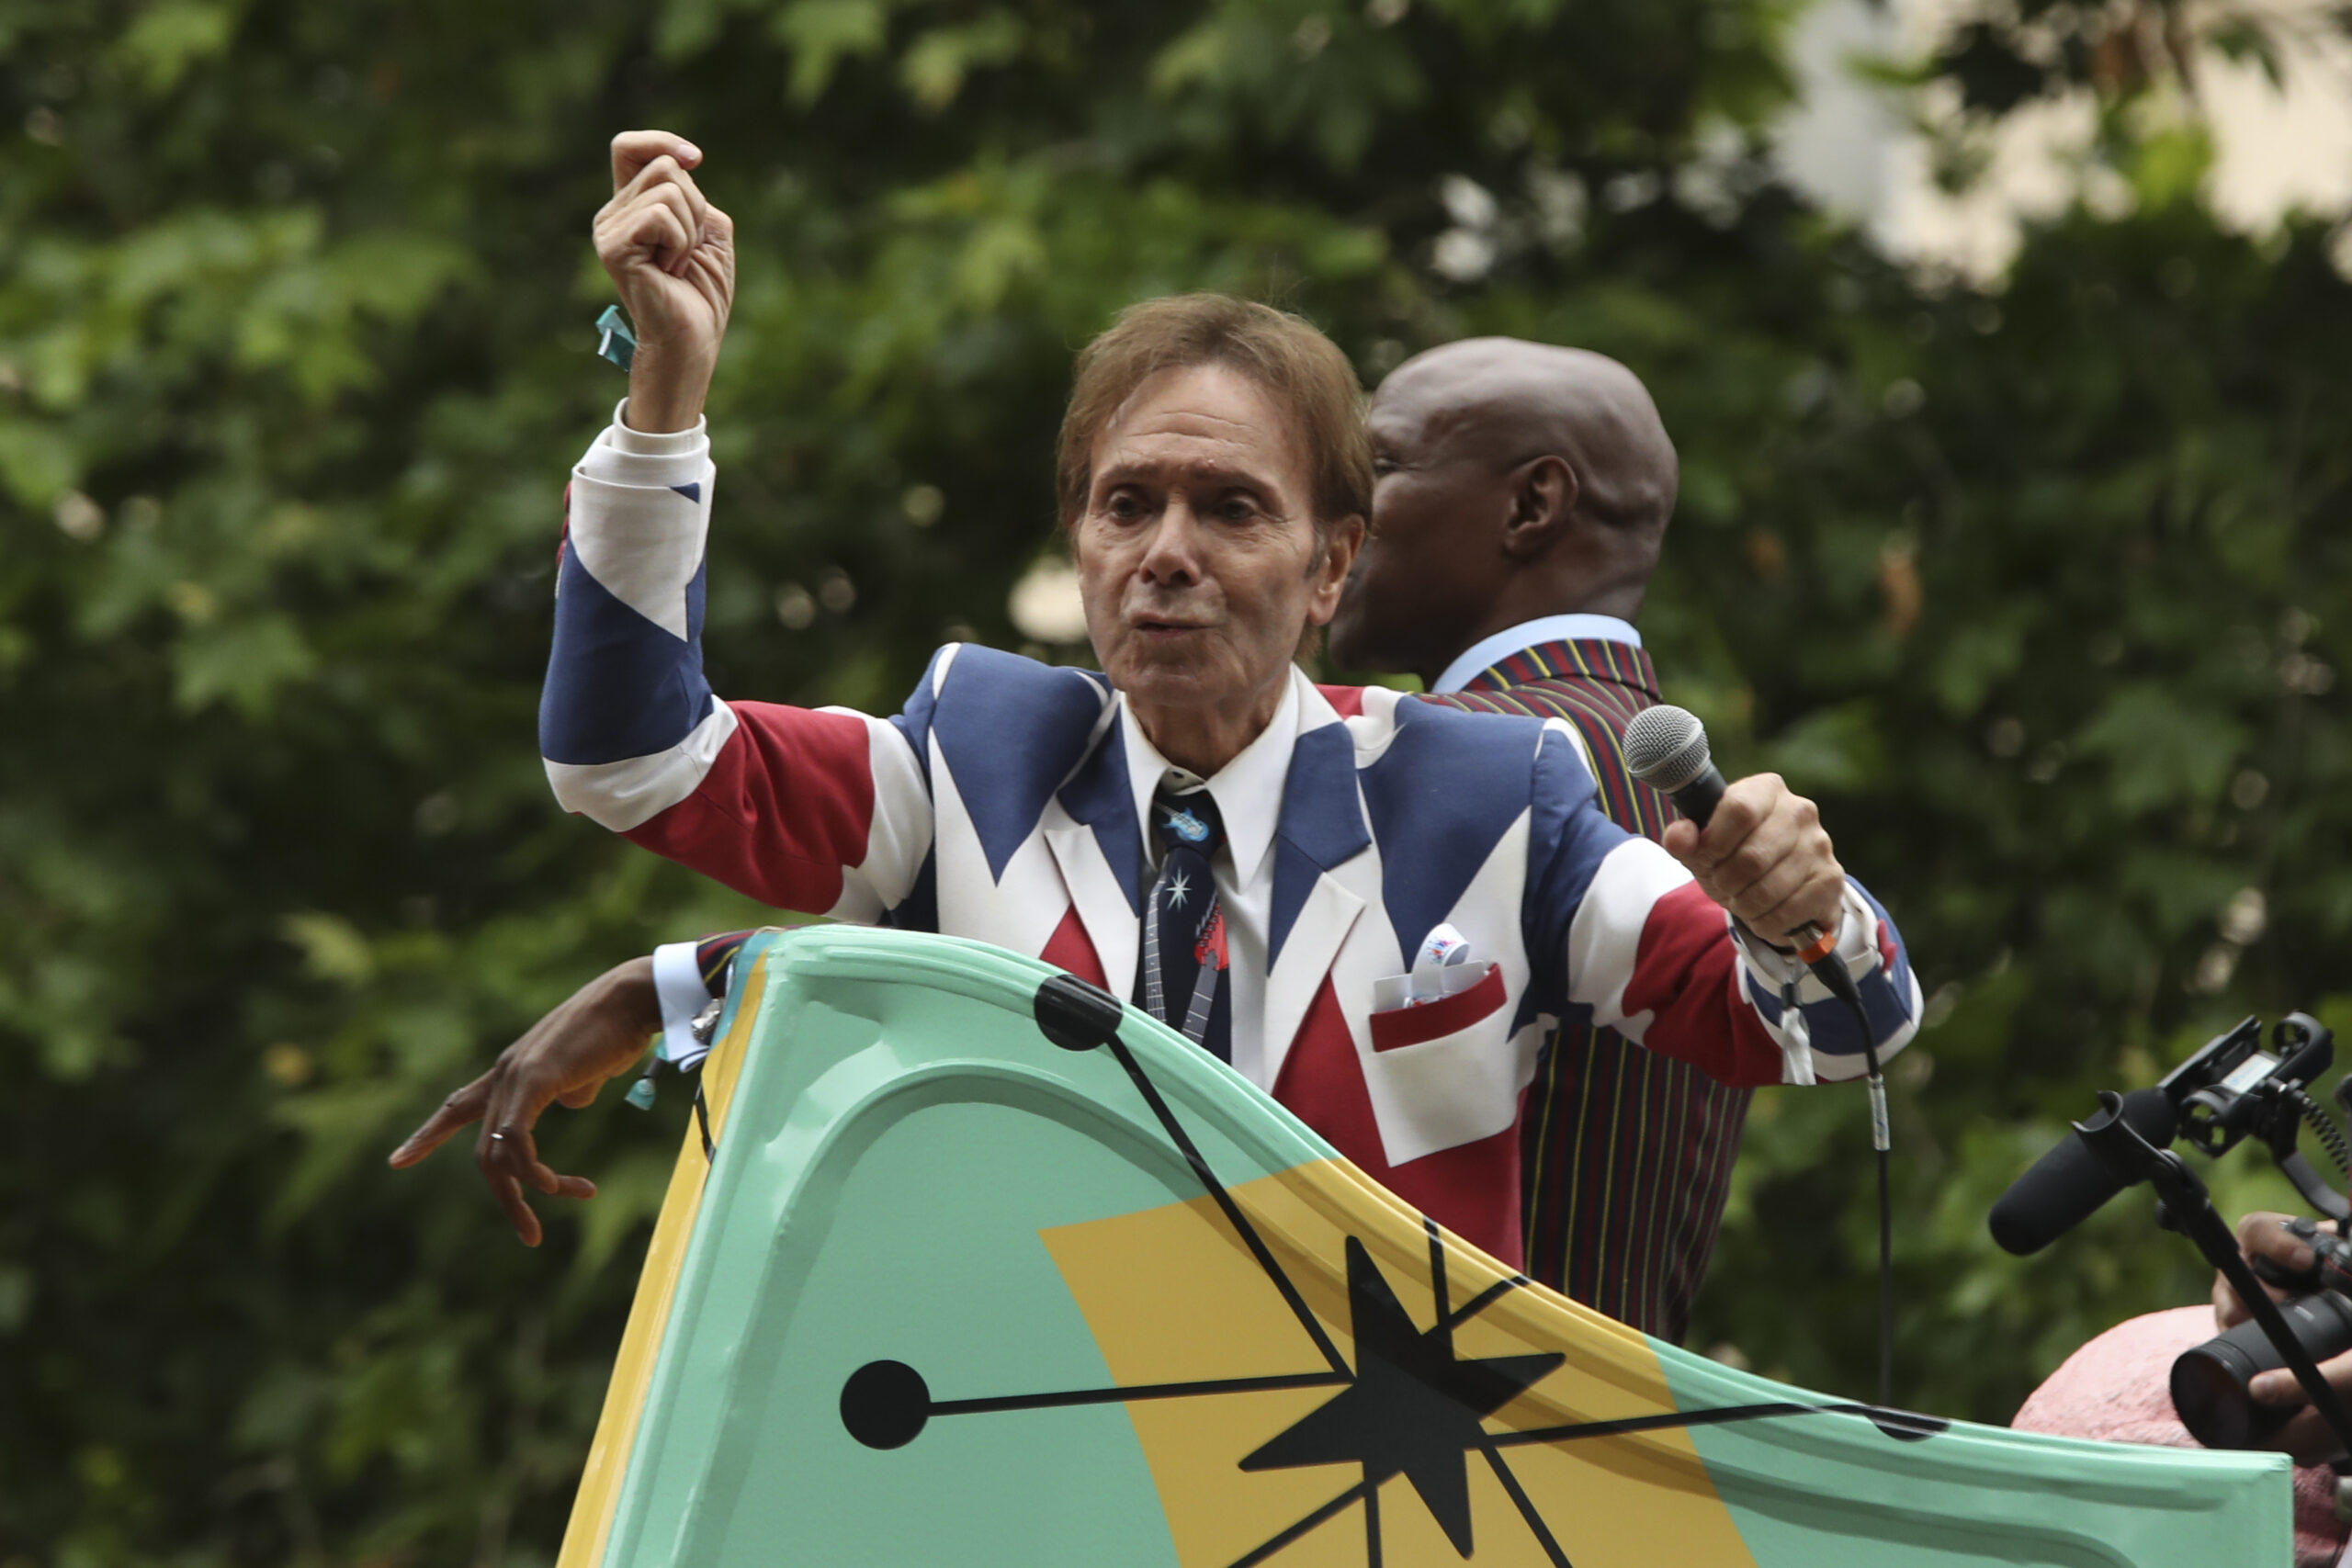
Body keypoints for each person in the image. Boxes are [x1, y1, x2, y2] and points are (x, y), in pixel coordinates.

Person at [391, 131, 1922, 1264]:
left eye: (1229, 510)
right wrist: (664, 402)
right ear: (1079, 542)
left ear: (1331, 566)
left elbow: (1834, 1028)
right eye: (1128, 506)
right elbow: (628, 761)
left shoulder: (1485, 794)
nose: (1168, 556)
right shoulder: (972, 755)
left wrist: (1807, 913)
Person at [1327, 338, 1759, 1345]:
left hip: (1429, 1451)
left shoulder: (1456, 767)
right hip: (1610, 1445)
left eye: (1377, 467)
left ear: (1531, 507)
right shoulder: (1676, 778)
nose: (1326, 515)